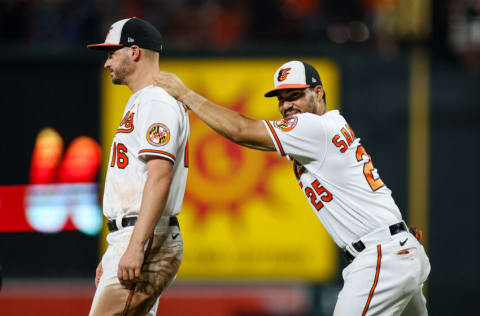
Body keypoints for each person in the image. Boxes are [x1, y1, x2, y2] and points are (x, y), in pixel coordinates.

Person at [155, 60, 431, 316]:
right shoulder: (330, 125)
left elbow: (241, 130)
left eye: (295, 96)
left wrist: (185, 94)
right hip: (400, 251)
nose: (287, 106)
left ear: (318, 93)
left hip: (381, 257)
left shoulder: (313, 127)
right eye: (281, 100)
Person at [87, 17, 189, 316]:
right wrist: (118, 246)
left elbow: (160, 176)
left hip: (144, 236)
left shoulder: (157, 101)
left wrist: (134, 245)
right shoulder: (142, 100)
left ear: (134, 52)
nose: (107, 63)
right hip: (133, 235)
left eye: (111, 53)